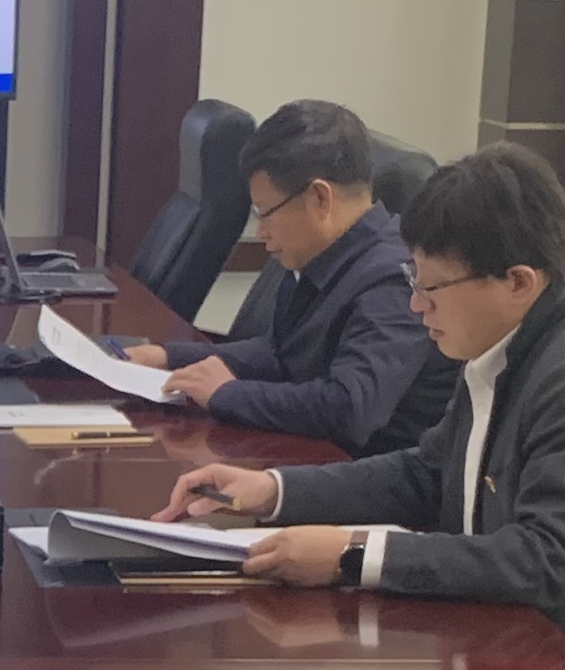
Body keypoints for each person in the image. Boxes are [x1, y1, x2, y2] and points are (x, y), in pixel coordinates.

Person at [163, 143, 565, 670]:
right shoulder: (513, 341)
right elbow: (427, 473)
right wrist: (273, 490)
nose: (416, 306)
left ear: (518, 282)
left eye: (432, 288)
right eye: (414, 282)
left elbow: (547, 559)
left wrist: (351, 554)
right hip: (513, 652)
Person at [124, 98, 449, 454]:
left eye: (266, 212)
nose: (261, 231)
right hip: (309, 459)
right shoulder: (327, 257)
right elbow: (280, 353)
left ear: (320, 198)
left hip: (361, 476)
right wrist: (168, 357)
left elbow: (349, 409)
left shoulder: (393, 280)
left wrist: (228, 394)